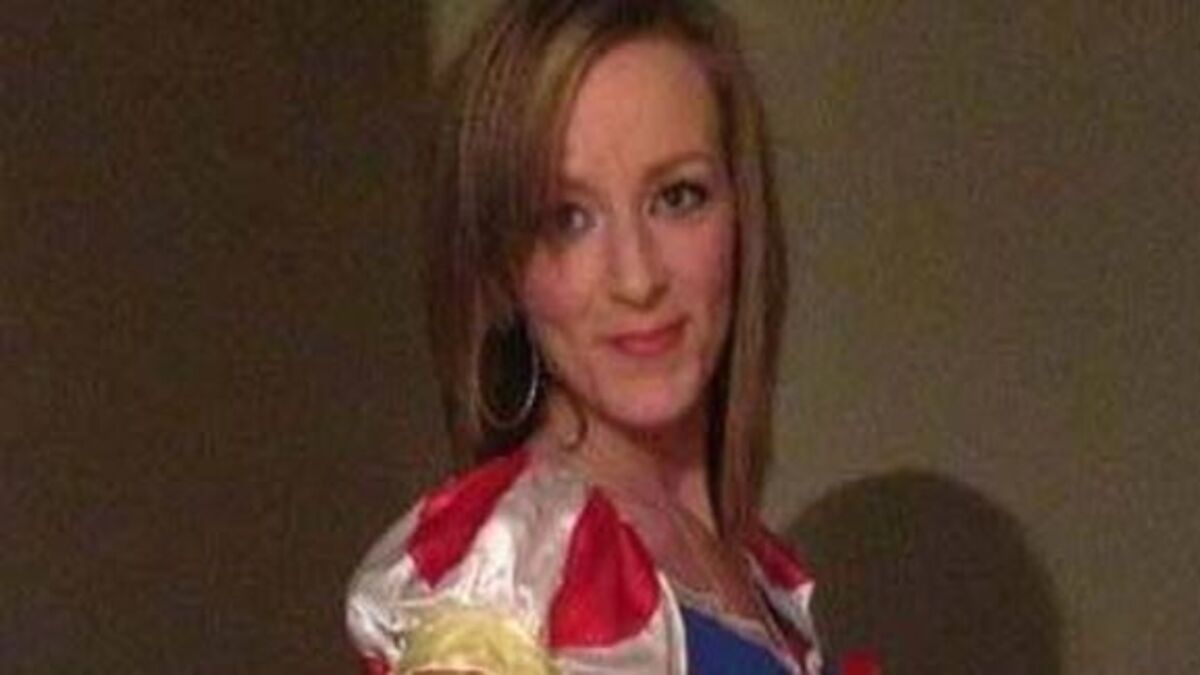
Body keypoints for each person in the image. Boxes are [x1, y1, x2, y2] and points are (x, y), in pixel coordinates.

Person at [346, 1, 838, 673]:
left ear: (742, 212)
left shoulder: (757, 571)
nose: (637, 278)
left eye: (678, 197)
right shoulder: (508, 567)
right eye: (567, 218)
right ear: (499, 267)